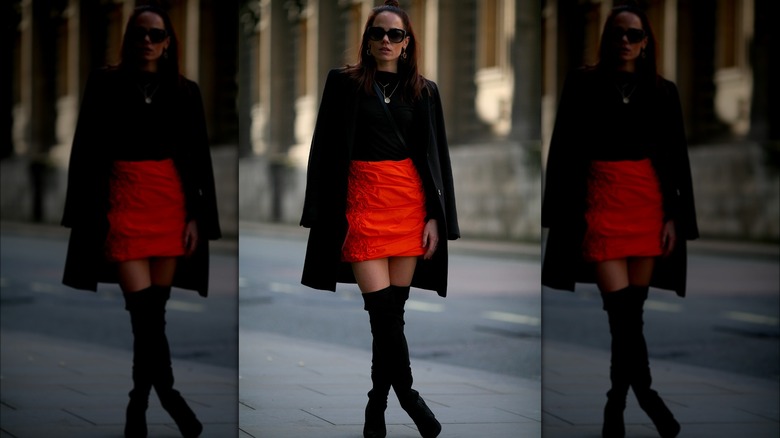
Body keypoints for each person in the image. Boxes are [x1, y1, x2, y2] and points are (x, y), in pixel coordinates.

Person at [300, 1, 458, 437]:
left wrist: (435, 219)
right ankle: (408, 396)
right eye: (378, 33)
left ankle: (376, 406)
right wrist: (321, 212)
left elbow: (435, 161)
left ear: (408, 44)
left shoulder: (424, 91)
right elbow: (324, 150)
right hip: (361, 209)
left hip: (409, 210)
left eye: (395, 34)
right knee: (381, 314)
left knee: (393, 316)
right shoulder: (344, 84)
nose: (386, 41)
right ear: (367, 40)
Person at [61, 5, 220, 437]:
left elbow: (199, 161)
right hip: (123, 204)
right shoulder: (105, 83)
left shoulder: (185, 91)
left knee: (155, 315)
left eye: (156, 34)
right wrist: (84, 214)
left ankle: (138, 407)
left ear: (168, 42)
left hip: (171, 206)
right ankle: (164, 396)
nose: (147, 41)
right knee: (143, 313)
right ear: (129, 39)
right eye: (140, 34)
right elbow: (86, 150)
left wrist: (196, 217)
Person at [542, 4, 698, 438]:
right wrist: (559, 214)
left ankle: (616, 405)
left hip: (648, 206)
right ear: (607, 39)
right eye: (618, 34)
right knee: (621, 313)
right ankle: (642, 396)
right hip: (600, 204)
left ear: (646, 42)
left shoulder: (663, 91)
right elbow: (563, 150)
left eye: (634, 34)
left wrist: (674, 217)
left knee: (632, 315)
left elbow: (676, 160)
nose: (625, 41)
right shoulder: (583, 82)